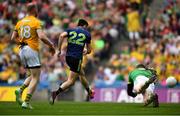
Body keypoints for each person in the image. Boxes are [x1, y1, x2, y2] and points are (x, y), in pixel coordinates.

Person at [11, 3, 55, 109]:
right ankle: (26, 101)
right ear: (35, 10)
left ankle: (20, 90)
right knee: (36, 77)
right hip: (31, 49)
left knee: (31, 75)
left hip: (21, 50)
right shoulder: (35, 21)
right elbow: (42, 36)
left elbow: (13, 38)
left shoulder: (20, 22)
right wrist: (51, 44)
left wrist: (22, 43)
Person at [50, 19, 94, 104]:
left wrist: (58, 50)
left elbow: (61, 36)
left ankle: (89, 92)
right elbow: (89, 50)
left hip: (68, 57)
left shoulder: (70, 30)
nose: (86, 29)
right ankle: (55, 94)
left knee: (81, 73)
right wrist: (86, 51)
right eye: (86, 27)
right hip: (77, 58)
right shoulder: (87, 34)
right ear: (84, 25)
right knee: (71, 81)